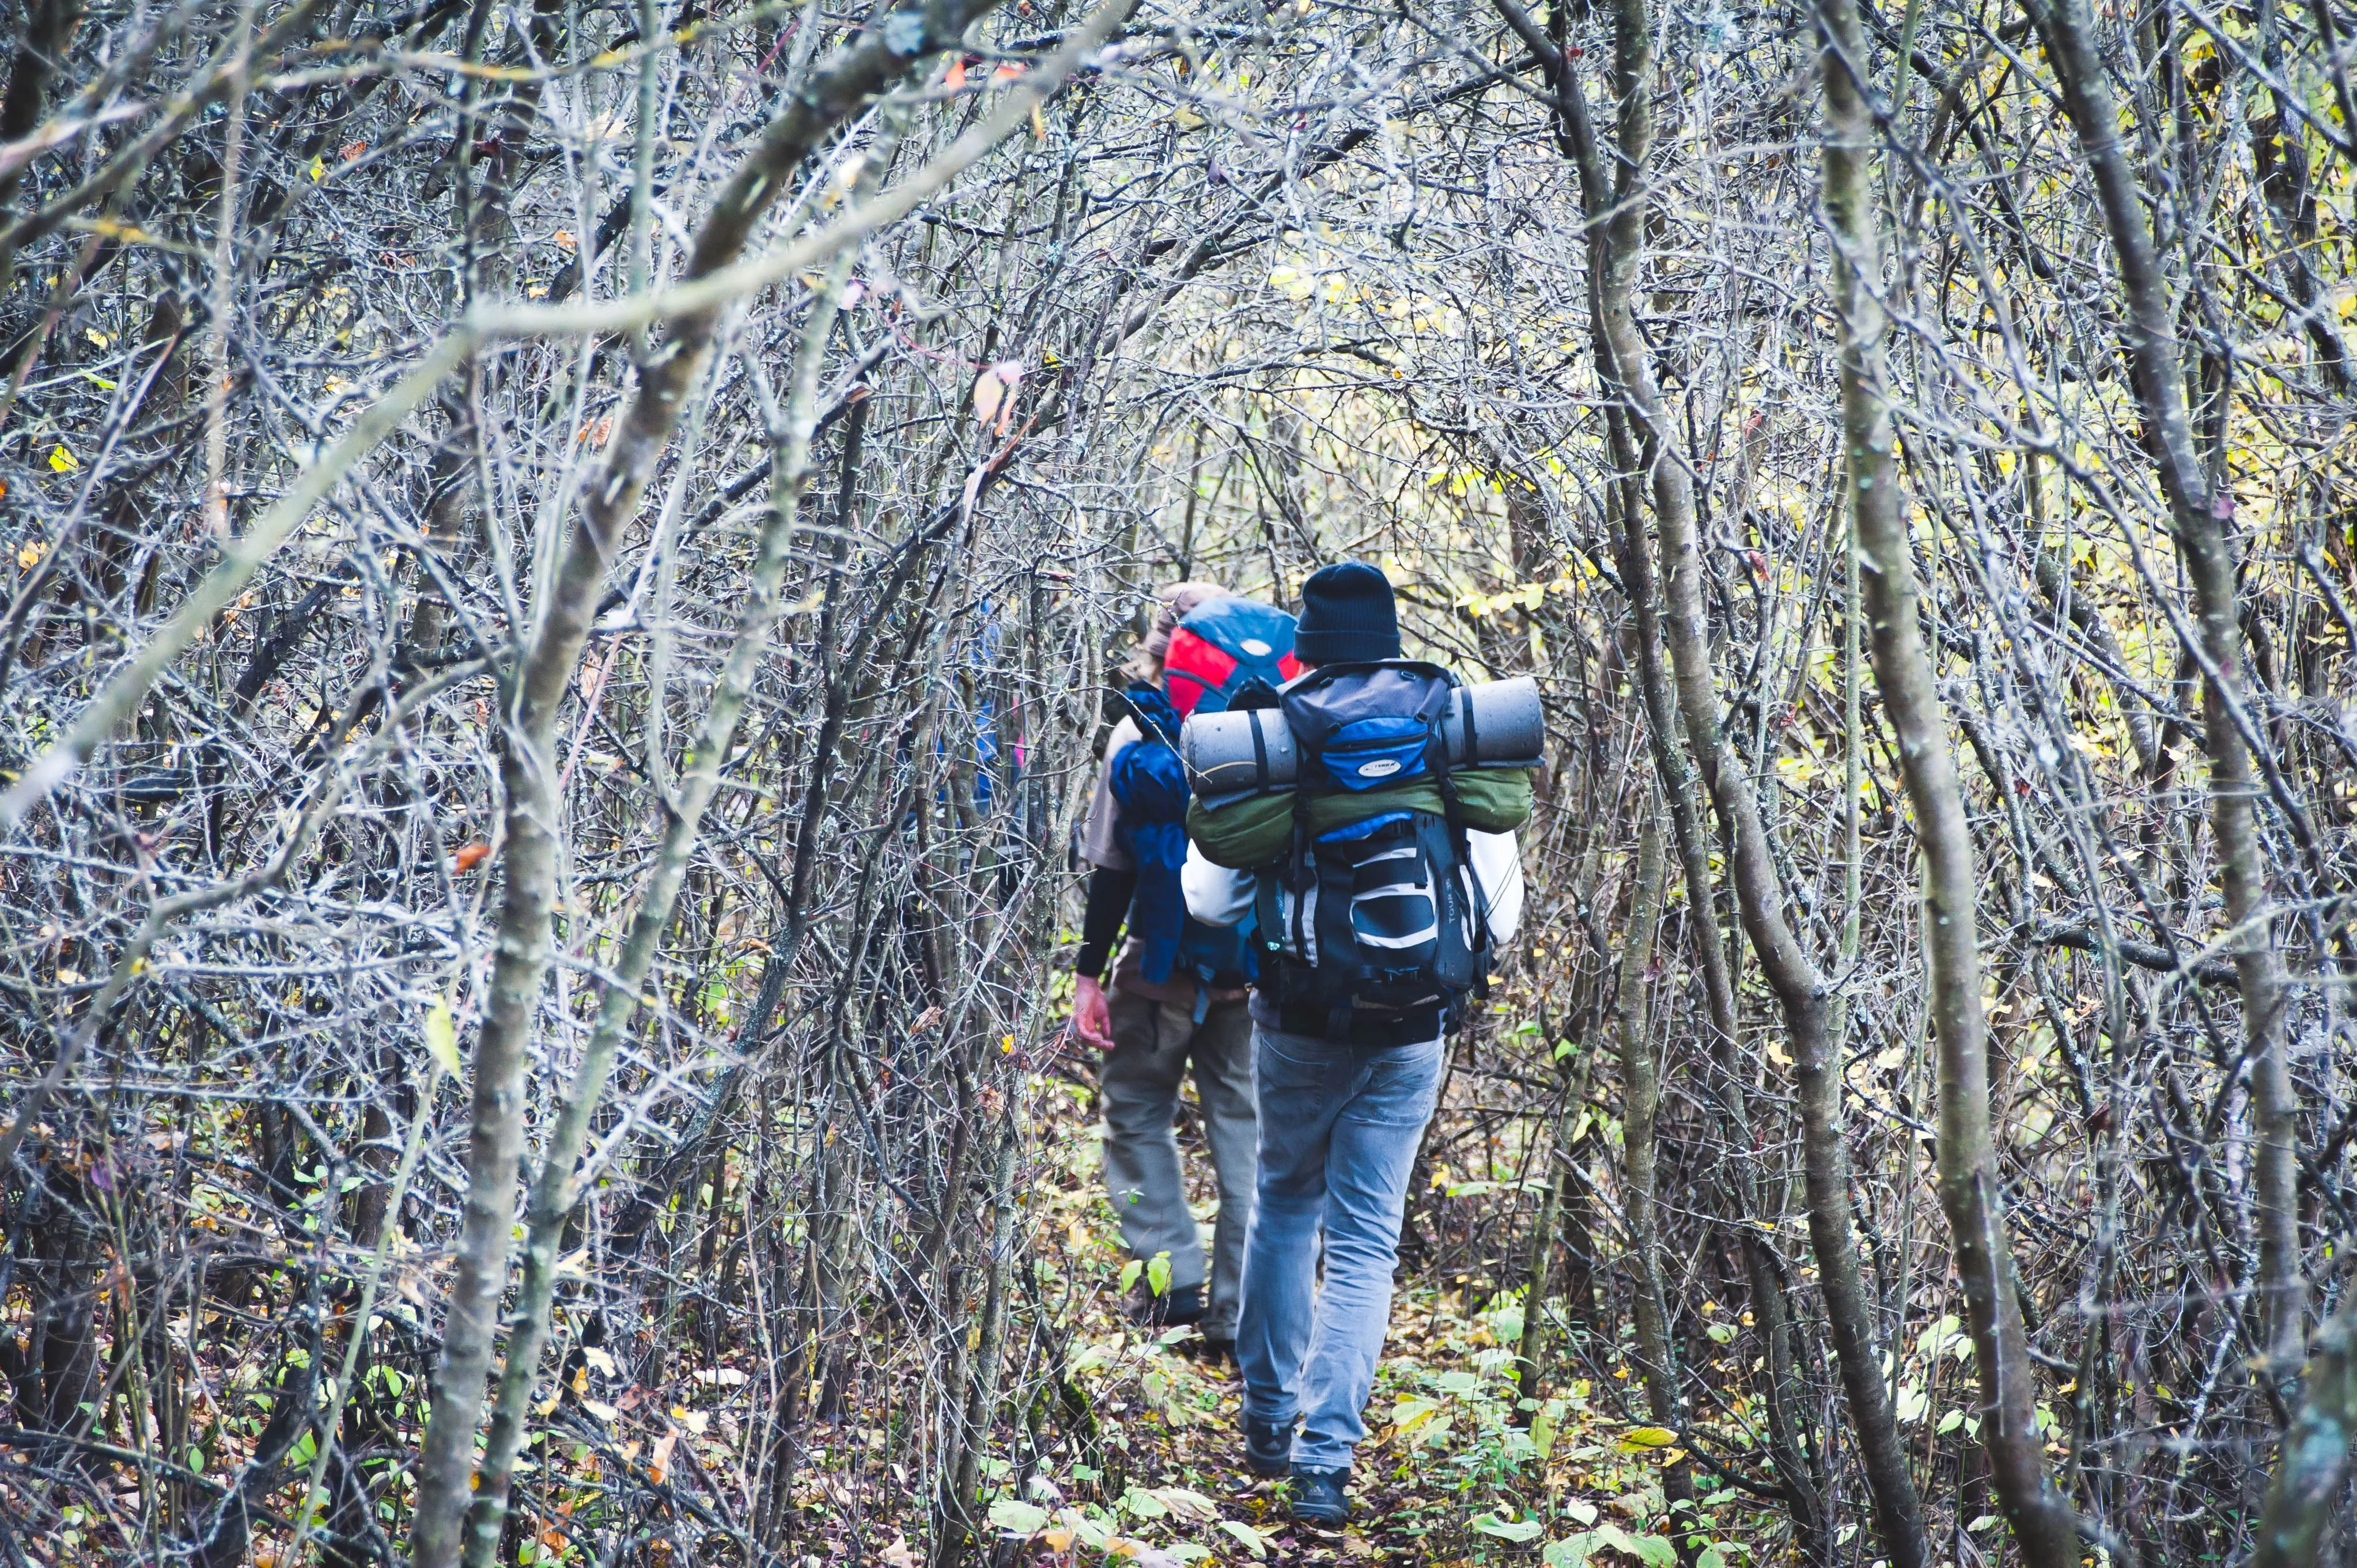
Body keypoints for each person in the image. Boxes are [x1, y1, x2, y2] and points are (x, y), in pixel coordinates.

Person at [1182, 561, 1526, 1525]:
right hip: (1414, 1024)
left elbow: (1206, 898)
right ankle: (1324, 1465)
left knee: (1284, 1204)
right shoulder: (1443, 727)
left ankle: (1264, 1419)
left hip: (1294, 1015)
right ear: (1391, 636)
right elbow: (1500, 908)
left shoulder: (1279, 735)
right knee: (1367, 1239)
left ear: (1309, 639)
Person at [1071, 583, 1262, 1359]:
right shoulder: (1271, 726)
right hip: (1250, 973)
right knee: (1246, 1132)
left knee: (1137, 1113)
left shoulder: (1135, 726)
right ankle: (1239, 1311)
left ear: (1156, 645)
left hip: (1157, 969)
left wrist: (1089, 972)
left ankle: (1168, 1285)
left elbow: (1110, 866)